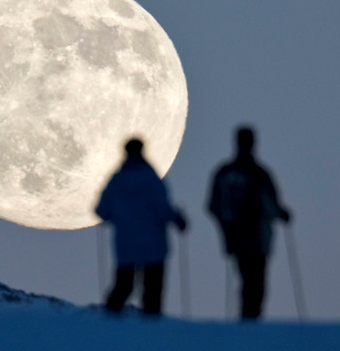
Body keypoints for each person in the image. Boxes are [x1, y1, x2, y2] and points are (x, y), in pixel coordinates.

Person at [207, 126, 291, 319]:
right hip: (258, 238)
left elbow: (212, 205)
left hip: (234, 238)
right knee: (257, 281)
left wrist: (226, 226)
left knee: (245, 278)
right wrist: (282, 214)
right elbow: (270, 204)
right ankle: (251, 319)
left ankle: (247, 317)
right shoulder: (259, 173)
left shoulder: (224, 173)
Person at [96, 138, 186, 316]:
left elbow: (101, 211)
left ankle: (108, 322)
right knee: (152, 292)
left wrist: (119, 217)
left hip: (126, 244)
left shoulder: (117, 181)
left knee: (123, 286)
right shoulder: (150, 179)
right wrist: (178, 220)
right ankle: (151, 330)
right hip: (153, 244)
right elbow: (162, 209)